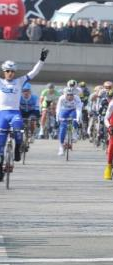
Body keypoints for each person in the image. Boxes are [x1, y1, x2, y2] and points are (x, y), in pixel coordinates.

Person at [0, 49, 47, 178]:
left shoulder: (19, 81)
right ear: (4, 72)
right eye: (8, 71)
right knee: (1, 143)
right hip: (2, 114)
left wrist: (41, 60)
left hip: (15, 113)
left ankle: (17, 150)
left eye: (12, 71)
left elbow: (34, 72)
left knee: (19, 133)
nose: (10, 73)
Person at [55, 87, 83, 156]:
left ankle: (74, 132)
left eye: (71, 95)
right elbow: (58, 108)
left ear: (74, 95)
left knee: (75, 118)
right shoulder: (61, 98)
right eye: (68, 95)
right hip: (64, 110)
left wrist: (78, 117)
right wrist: (57, 116)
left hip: (73, 110)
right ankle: (61, 146)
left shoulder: (77, 98)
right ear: (65, 95)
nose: (70, 97)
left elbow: (79, 109)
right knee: (63, 127)